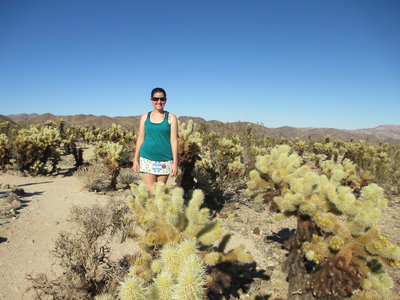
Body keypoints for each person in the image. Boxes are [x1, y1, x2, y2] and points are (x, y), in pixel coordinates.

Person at [132, 87, 178, 195]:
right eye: (156, 99)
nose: (159, 102)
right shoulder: (145, 117)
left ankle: (159, 212)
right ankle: (151, 212)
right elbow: (140, 138)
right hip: (147, 158)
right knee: (151, 191)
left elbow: (174, 141)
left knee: (160, 192)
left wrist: (175, 163)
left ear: (165, 100)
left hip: (165, 159)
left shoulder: (171, 118)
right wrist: (135, 159)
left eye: (162, 99)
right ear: (151, 100)